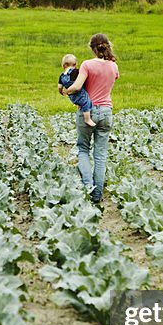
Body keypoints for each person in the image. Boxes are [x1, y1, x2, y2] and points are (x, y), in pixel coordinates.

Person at [61, 33, 118, 205]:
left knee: (83, 149)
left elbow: (77, 86)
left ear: (92, 48)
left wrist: (66, 90)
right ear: (107, 46)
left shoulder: (87, 65)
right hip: (106, 111)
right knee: (100, 155)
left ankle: (88, 187)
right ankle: (97, 194)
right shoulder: (113, 66)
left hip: (88, 111)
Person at [58, 54, 96, 127]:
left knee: (81, 103)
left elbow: (59, 87)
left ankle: (85, 115)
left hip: (72, 97)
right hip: (79, 93)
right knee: (86, 103)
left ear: (64, 65)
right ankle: (87, 119)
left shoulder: (62, 76)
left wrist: (61, 92)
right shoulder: (76, 72)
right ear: (75, 64)